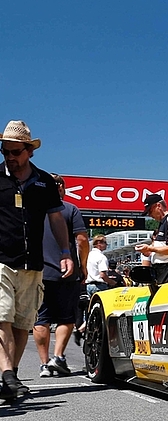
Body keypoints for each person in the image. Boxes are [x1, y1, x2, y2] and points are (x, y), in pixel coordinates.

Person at [0, 120, 74, 400]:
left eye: (15, 152)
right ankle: (7, 374)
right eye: (5, 151)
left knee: (21, 324)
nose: (9, 157)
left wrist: (65, 253)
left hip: (32, 264)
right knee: (1, 317)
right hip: (1, 260)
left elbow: (56, 219)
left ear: (29, 151)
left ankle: (11, 377)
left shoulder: (44, 182)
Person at [33, 174, 89, 377]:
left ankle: (44, 364)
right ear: (62, 188)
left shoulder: (35, 209)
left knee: (41, 318)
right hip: (68, 271)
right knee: (66, 318)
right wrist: (83, 266)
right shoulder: (70, 209)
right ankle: (58, 357)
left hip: (39, 271)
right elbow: (81, 240)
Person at [136, 194, 168, 280]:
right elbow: (164, 249)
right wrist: (149, 252)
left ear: (158, 206)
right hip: (162, 269)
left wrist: (150, 249)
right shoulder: (163, 223)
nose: (150, 215)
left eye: (150, 211)